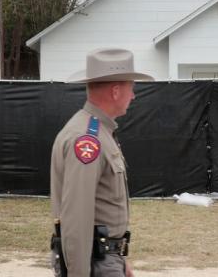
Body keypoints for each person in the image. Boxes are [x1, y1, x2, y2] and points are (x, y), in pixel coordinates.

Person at [50, 48, 154, 277]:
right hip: (94, 263)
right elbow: (76, 217)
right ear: (116, 91)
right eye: (132, 88)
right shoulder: (87, 139)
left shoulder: (96, 131)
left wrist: (118, 259)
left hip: (103, 259)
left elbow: (100, 210)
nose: (134, 95)